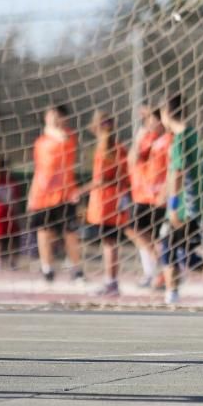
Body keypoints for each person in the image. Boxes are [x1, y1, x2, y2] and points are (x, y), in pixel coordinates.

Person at [160, 94, 203, 304]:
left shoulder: (180, 138)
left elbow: (178, 172)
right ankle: (172, 292)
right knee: (184, 255)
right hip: (196, 205)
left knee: (169, 248)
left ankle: (171, 294)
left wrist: (173, 206)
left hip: (186, 207)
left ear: (167, 114)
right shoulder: (193, 134)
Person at [27, 104, 83, 283]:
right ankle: (47, 269)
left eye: (55, 115)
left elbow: (63, 138)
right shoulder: (40, 141)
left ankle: (77, 269)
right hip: (42, 194)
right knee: (43, 231)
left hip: (65, 193)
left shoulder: (68, 136)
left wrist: (51, 129)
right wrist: (31, 195)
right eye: (49, 115)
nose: (51, 119)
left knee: (70, 232)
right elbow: (39, 170)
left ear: (63, 118)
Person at [76, 113, 129, 297]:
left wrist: (80, 190)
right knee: (112, 242)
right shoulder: (120, 147)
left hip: (105, 200)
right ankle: (112, 281)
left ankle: (111, 282)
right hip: (118, 197)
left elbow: (99, 179)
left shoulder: (103, 149)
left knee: (109, 244)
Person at [128, 104, 171, 287]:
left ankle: (161, 272)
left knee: (156, 235)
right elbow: (132, 159)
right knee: (135, 230)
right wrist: (139, 136)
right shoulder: (147, 138)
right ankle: (154, 271)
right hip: (142, 194)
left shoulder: (169, 139)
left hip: (159, 195)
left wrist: (166, 191)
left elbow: (173, 168)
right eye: (148, 120)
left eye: (153, 119)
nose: (150, 123)